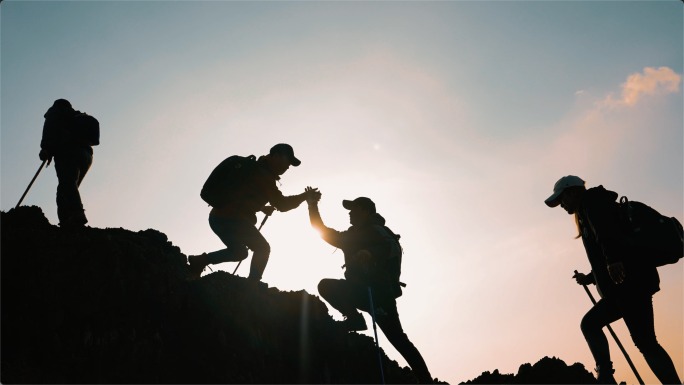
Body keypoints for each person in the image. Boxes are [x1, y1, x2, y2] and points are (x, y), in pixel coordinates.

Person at [545, 175, 681, 384]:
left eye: (561, 199)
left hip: (629, 286)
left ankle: (608, 377)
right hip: (625, 286)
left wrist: (613, 260)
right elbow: (608, 248)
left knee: (639, 341)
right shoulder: (591, 208)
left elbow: (607, 235)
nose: (561, 205)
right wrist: (590, 278)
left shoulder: (591, 202)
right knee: (639, 340)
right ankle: (607, 375)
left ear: (573, 192)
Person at [305, 190, 434, 384]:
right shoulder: (350, 236)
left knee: (399, 341)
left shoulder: (377, 229)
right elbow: (320, 229)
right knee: (326, 286)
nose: (349, 213)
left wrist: (370, 252)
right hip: (358, 290)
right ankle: (356, 320)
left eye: (353, 209)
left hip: (380, 294)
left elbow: (393, 247)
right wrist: (312, 205)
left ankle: (427, 382)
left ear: (365, 211)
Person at [188, 144, 318, 281]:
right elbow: (282, 204)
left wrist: (262, 208)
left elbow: (242, 196)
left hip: (217, 218)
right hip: (232, 218)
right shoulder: (265, 176)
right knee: (262, 247)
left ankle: (200, 261)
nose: (288, 167)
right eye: (288, 161)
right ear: (276, 156)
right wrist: (305, 196)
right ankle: (252, 285)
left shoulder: (255, 169)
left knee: (239, 252)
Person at [39, 99, 97, 227]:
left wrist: (46, 147)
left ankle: (76, 214)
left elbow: (50, 126)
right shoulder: (77, 116)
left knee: (67, 184)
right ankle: (68, 222)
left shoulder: (56, 111)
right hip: (87, 155)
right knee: (67, 188)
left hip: (68, 151)